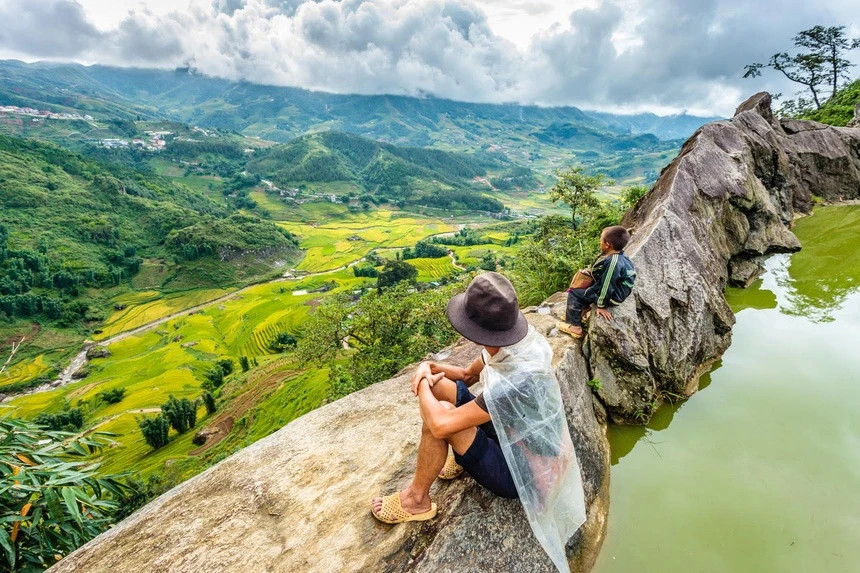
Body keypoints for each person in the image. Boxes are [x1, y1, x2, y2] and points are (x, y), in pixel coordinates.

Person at [371, 272, 586, 573]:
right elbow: (466, 376)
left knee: (441, 412)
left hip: (523, 471)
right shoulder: (515, 345)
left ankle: (416, 500)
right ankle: (461, 459)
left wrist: (421, 383)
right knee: (440, 388)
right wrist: (429, 368)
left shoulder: (518, 380)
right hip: (514, 432)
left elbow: (441, 425)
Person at [558, 225, 635, 339]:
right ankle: (579, 314)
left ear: (607, 244)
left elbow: (607, 285)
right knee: (588, 288)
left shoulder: (613, 263)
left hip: (613, 296)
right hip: (620, 291)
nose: (600, 242)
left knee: (575, 293)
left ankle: (575, 327)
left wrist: (601, 305)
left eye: (601, 239)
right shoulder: (620, 256)